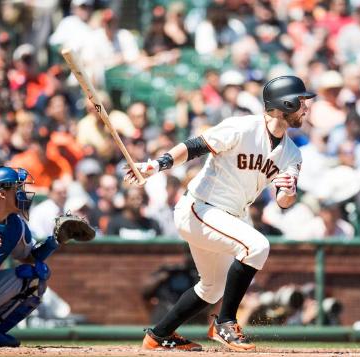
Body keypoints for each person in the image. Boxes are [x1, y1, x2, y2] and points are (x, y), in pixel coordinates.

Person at [124, 75, 315, 351]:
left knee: (212, 288)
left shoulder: (292, 153)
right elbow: (194, 146)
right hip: (199, 208)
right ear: (284, 104)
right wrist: (157, 164)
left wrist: (289, 193)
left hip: (229, 218)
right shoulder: (243, 127)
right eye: (300, 102)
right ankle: (225, 322)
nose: (305, 108)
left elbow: (284, 202)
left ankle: (158, 335)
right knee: (257, 246)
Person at [0, 166, 60, 347]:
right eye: (17, 188)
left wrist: (54, 241)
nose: (22, 193)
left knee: (34, 276)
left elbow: (29, 257)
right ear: (2, 194)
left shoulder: (15, 224)